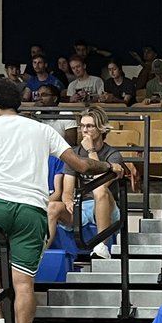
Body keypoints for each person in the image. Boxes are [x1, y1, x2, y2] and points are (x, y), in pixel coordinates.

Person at [0, 79, 112, 323]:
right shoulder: (42, 129)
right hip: (34, 209)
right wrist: (108, 166)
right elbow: (81, 165)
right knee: (24, 283)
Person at [46, 106, 126, 259]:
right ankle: (39, 255)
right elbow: (67, 190)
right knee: (52, 207)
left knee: (99, 191)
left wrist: (91, 151)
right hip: (82, 206)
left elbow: (100, 182)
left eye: (89, 126)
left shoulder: (113, 155)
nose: (84, 130)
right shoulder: (74, 154)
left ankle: (101, 246)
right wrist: (68, 201)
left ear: (101, 129)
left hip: (107, 206)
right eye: (82, 126)